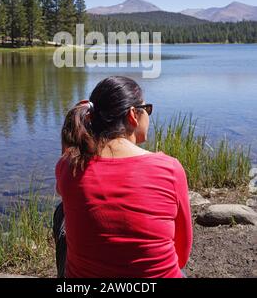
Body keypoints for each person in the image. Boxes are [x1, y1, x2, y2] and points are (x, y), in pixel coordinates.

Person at [54, 76, 192, 278]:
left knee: (61, 211)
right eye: (147, 109)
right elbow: (181, 254)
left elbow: (63, 185)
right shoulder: (170, 169)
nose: (149, 115)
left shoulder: (69, 166)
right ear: (133, 115)